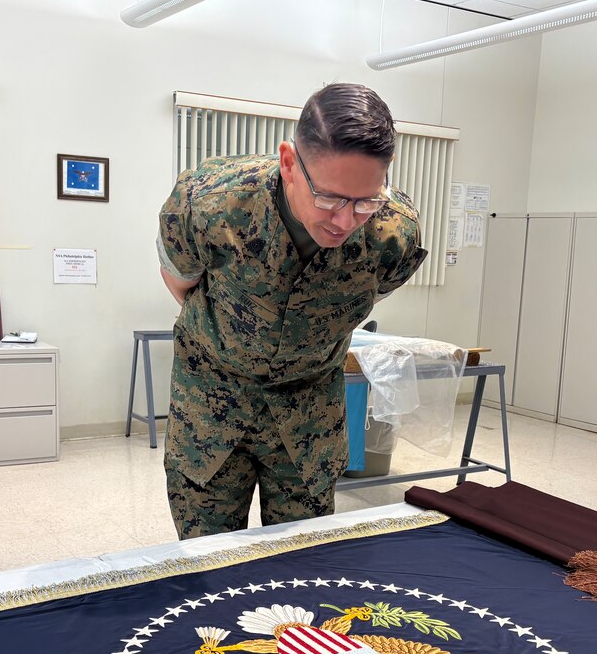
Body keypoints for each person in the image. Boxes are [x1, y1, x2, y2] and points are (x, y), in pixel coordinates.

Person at [157, 82, 427, 539]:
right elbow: (181, 282)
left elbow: (357, 303)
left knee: (304, 561)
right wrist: (240, 344)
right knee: (206, 562)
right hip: (211, 409)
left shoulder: (393, 235)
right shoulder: (210, 204)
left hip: (309, 419)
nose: (345, 221)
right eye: (330, 198)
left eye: (364, 201)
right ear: (289, 163)